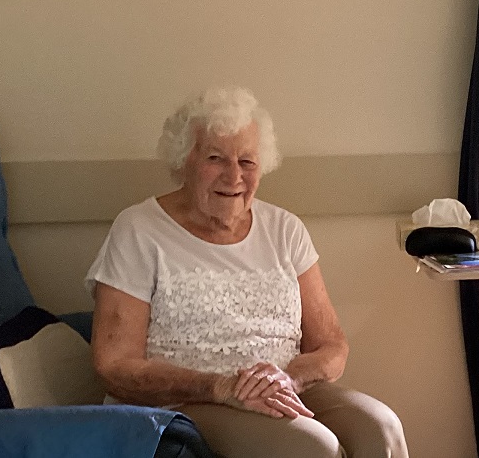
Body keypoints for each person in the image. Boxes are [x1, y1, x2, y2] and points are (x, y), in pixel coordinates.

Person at [86, 87, 409, 458]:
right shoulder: (139, 230)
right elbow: (112, 365)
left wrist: (289, 377)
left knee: (380, 427)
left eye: (247, 162)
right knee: (311, 447)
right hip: (191, 400)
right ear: (183, 161)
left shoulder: (285, 230)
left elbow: (332, 346)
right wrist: (222, 387)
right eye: (215, 158)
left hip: (286, 386)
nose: (233, 175)